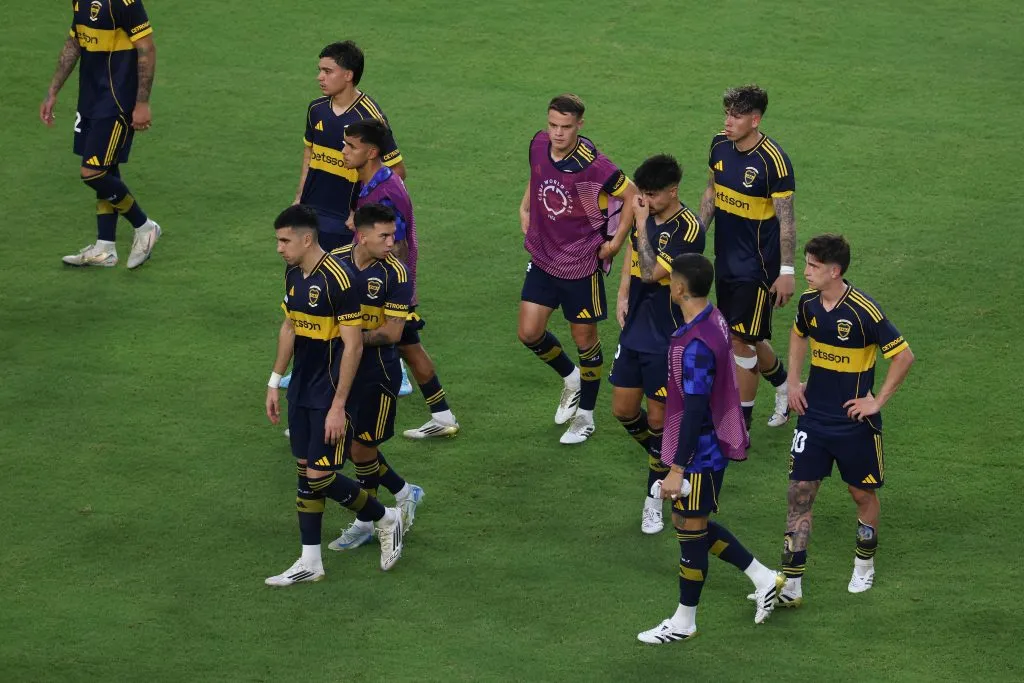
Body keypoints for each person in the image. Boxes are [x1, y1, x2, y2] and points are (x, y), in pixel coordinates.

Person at [637, 254, 782, 644]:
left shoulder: (697, 344)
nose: (668, 285)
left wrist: (677, 469)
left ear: (681, 288)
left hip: (700, 451)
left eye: (671, 281)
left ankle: (684, 622)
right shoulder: (714, 318)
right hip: (707, 444)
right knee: (689, 523)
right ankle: (765, 578)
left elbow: (696, 411)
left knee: (689, 530)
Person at [264, 205, 403, 585]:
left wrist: (339, 405)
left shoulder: (339, 281)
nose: (279, 248)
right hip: (302, 387)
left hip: (331, 390)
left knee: (321, 476)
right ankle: (311, 561)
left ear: (306, 239)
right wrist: (276, 381)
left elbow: (354, 347)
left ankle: (387, 518)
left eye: (284, 240)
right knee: (305, 472)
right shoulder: (293, 272)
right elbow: (290, 327)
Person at [773, 234, 913, 603]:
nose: (806, 272)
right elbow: (799, 334)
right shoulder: (808, 304)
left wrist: (877, 401)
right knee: (799, 493)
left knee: (861, 493)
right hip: (813, 418)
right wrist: (792, 381)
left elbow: (903, 356)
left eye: (814, 267)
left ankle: (864, 566)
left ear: (834, 271)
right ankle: (791, 582)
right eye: (806, 264)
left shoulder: (866, 312)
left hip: (854, 424)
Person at [518, 94, 637, 444]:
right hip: (543, 257)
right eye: (553, 124)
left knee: (585, 340)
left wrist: (615, 244)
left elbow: (632, 196)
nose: (557, 133)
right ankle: (570, 377)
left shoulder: (594, 166)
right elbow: (536, 174)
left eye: (565, 127)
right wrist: (525, 207)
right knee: (528, 333)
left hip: (580, 264)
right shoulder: (538, 144)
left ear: (579, 125)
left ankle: (585, 415)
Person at [340, 120, 460, 439]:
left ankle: (333, 413)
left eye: (351, 146)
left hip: (384, 289)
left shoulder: (385, 193)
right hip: (382, 285)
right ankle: (443, 415)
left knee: (357, 344)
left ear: (372, 151)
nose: (344, 151)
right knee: (410, 347)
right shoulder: (371, 181)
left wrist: (393, 290)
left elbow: (399, 244)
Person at [609, 155, 705, 534]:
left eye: (651, 194)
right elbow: (633, 252)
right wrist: (621, 292)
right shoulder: (645, 212)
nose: (643, 199)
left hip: (667, 333)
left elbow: (651, 272)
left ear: (673, 191)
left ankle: (654, 496)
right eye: (641, 192)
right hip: (635, 325)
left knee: (658, 417)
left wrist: (643, 222)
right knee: (622, 409)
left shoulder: (688, 229)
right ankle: (670, 456)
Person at [326, 204, 425, 551]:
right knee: (350, 446)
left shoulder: (396, 273)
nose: (392, 241)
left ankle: (367, 520)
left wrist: (348, 336)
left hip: (377, 372)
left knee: (361, 447)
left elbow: (393, 332)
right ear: (362, 235)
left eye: (393, 234)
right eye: (383, 235)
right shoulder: (334, 262)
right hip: (337, 366)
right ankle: (400, 494)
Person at [698, 84, 795, 431]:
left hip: (757, 266)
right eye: (726, 114)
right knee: (744, 335)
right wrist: (697, 233)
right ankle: (785, 386)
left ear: (755, 120)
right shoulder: (718, 145)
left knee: (740, 339)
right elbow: (712, 190)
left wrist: (786, 270)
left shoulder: (774, 162)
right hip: (724, 257)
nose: (728, 121)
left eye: (736, 116)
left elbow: (787, 221)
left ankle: (740, 423)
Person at [42, 0, 162, 269]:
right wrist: (53, 91)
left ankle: (144, 227)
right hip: (90, 100)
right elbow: (74, 43)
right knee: (107, 168)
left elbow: (147, 48)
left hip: (117, 101)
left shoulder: (124, 3)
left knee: (93, 172)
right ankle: (105, 247)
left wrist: (142, 102)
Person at [294, 41, 406, 252]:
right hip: (310, 211)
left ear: (348, 75)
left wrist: (362, 211)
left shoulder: (370, 117)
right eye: (320, 71)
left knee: (341, 281)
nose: (320, 77)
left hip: (345, 220)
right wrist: (299, 196)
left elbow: (397, 171)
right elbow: (309, 152)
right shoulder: (316, 109)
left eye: (327, 71)